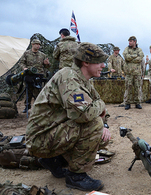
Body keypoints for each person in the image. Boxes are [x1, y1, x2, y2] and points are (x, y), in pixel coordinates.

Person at [25, 42, 111, 191]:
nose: (103, 66)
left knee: (100, 135)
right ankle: (76, 176)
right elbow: (84, 114)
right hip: (40, 139)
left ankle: (54, 160)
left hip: (51, 131)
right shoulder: (68, 77)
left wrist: (103, 121)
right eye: (100, 62)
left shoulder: (82, 80)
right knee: (94, 125)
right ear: (86, 62)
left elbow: (97, 108)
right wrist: (100, 108)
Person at [18, 39, 50, 113]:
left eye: (39, 44)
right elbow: (21, 62)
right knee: (28, 90)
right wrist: (24, 68)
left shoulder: (42, 55)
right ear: (32, 44)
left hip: (39, 74)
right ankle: (27, 106)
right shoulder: (26, 53)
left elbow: (47, 66)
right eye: (36, 44)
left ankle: (38, 107)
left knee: (38, 91)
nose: (38, 46)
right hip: (29, 74)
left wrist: (47, 63)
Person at [122, 36, 144, 110]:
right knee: (128, 88)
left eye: (131, 41)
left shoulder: (139, 49)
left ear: (135, 42)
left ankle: (137, 103)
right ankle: (127, 103)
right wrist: (135, 57)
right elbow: (126, 57)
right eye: (129, 41)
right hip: (129, 73)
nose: (129, 42)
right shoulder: (126, 49)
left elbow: (140, 58)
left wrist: (131, 58)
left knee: (137, 88)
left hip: (137, 73)